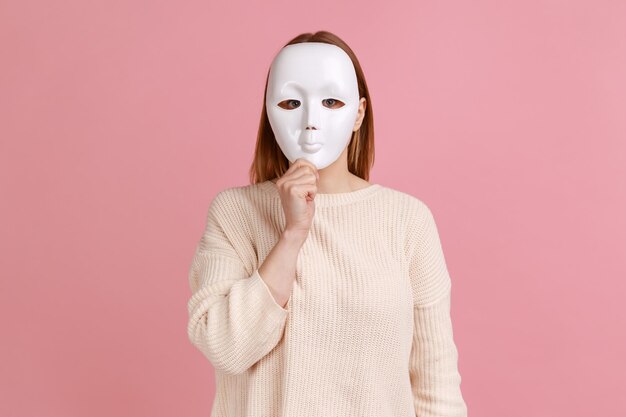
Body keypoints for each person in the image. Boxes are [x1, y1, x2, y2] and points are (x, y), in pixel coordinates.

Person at [186, 30, 468, 417]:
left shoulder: (408, 221)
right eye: (290, 102)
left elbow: (436, 386)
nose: (310, 120)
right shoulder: (235, 213)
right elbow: (224, 346)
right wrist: (291, 235)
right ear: (269, 112)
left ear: (359, 113)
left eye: (332, 101)